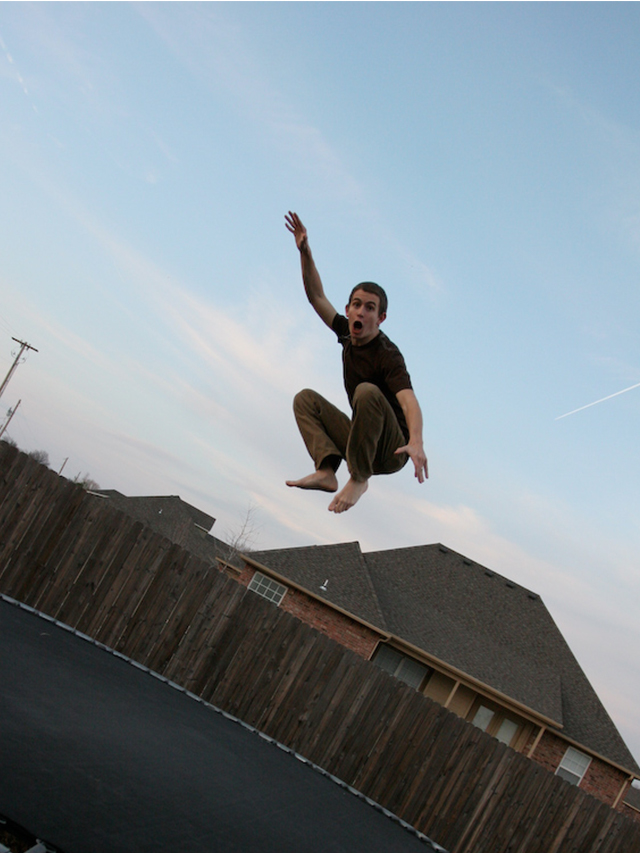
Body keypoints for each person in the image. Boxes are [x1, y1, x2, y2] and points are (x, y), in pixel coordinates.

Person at [285, 211, 428, 513]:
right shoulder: (346, 334)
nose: (361, 313)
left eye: (370, 308)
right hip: (361, 440)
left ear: (381, 318)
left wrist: (416, 441)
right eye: (357, 305)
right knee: (305, 400)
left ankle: (359, 479)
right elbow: (316, 297)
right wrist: (305, 251)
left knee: (366, 392)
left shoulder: (387, 354)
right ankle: (326, 470)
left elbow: (408, 401)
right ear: (348, 309)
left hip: (391, 450)